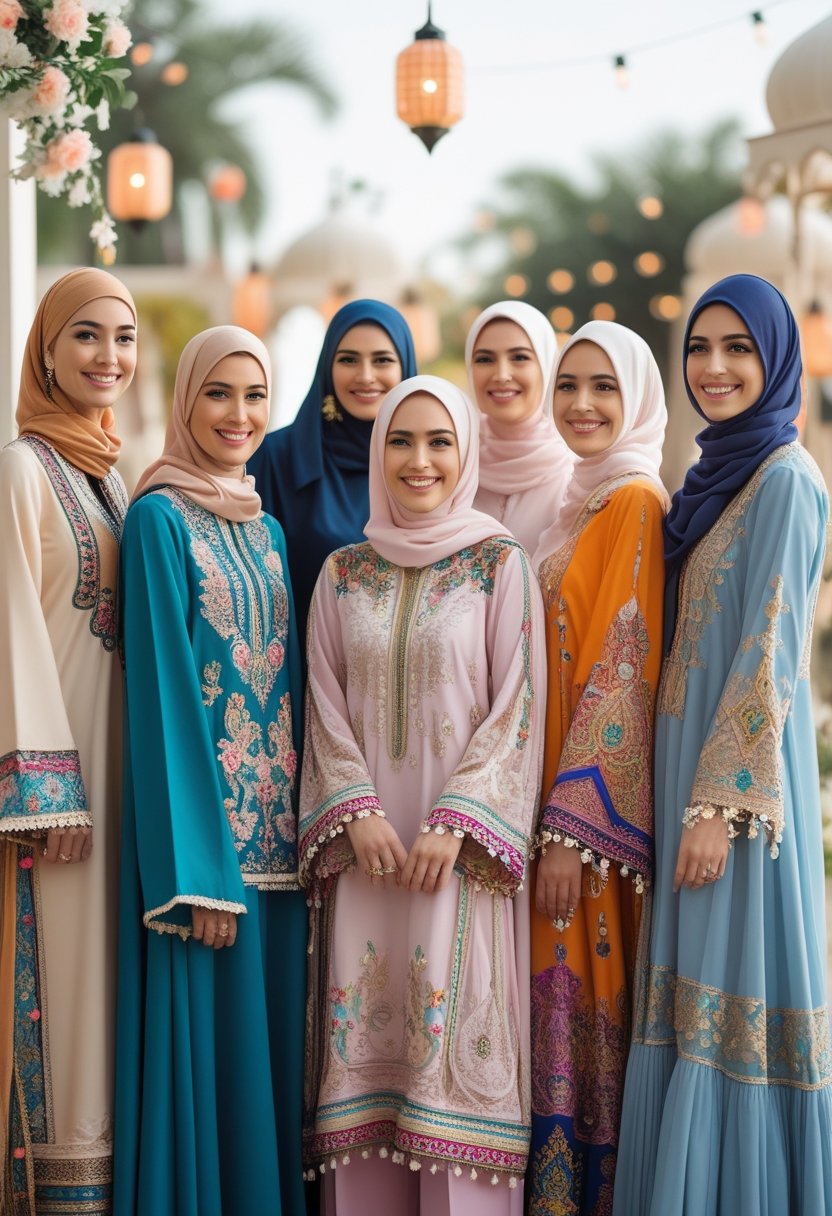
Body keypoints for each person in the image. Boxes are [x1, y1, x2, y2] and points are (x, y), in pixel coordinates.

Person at [300, 374, 546, 1212]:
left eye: (440, 441)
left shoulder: (497, 562)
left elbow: (519, 706)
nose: (419, 460)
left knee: (448, 1081)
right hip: (367, 861)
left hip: (456, 863)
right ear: (378, 451)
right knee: (366, 1081)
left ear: (465, 452)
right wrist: (356, 811)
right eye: (401, 441)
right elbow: (323, 708)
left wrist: (458, 822)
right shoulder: (341, 574)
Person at [614, 275, 832, 1215]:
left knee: (728, 994)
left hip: (735, 803)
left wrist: (714, 804)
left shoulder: (786, 477)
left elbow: (773, 644)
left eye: (740, 348)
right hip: (689, 781)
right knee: (688, 986)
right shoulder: (716, 482)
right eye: (700, 347)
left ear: (776, 359)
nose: (714, 367)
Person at [113, 327, 306, 1216]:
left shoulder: (265, 525)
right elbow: (159, 691)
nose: (238, 415)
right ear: (186, 400)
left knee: (266, 1080)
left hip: (279, 862)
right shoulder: (156, 518)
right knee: (208, 1075)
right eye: (219, 393)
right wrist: (198, 874)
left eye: (256, 395)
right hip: (208, 869)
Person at [0, 268, 137, 1213]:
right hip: (55, 797)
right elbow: (9, 623)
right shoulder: (20, 467)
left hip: (119, 772)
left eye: (124, 339)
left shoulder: (110, 474)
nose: (108, 357)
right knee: (58, 986)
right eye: (86, 336)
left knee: (104, 991)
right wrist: (50, 792)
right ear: (46, 347)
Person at [529, 321, 668, 1214]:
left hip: (587, 834)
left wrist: (570, 835)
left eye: (603, 388)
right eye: (568, 384)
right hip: (550, 810)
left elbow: (623, 664)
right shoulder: (576, 502)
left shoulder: (633, 502)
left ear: (637, 400)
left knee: (587, 1001)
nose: (581, 404)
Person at [247, 300, 417, 638]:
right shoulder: (275, 459)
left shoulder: (426, 466)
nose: (365, 376)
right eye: (348, 359)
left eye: (382, 360)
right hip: (304, 677)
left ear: (406, 368)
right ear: (327, 366)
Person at [465, 301, 573, 558]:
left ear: (547, 367)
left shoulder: (575, 474)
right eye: (485, 359)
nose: (502, 374)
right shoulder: (451, 463)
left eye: (520, 357)